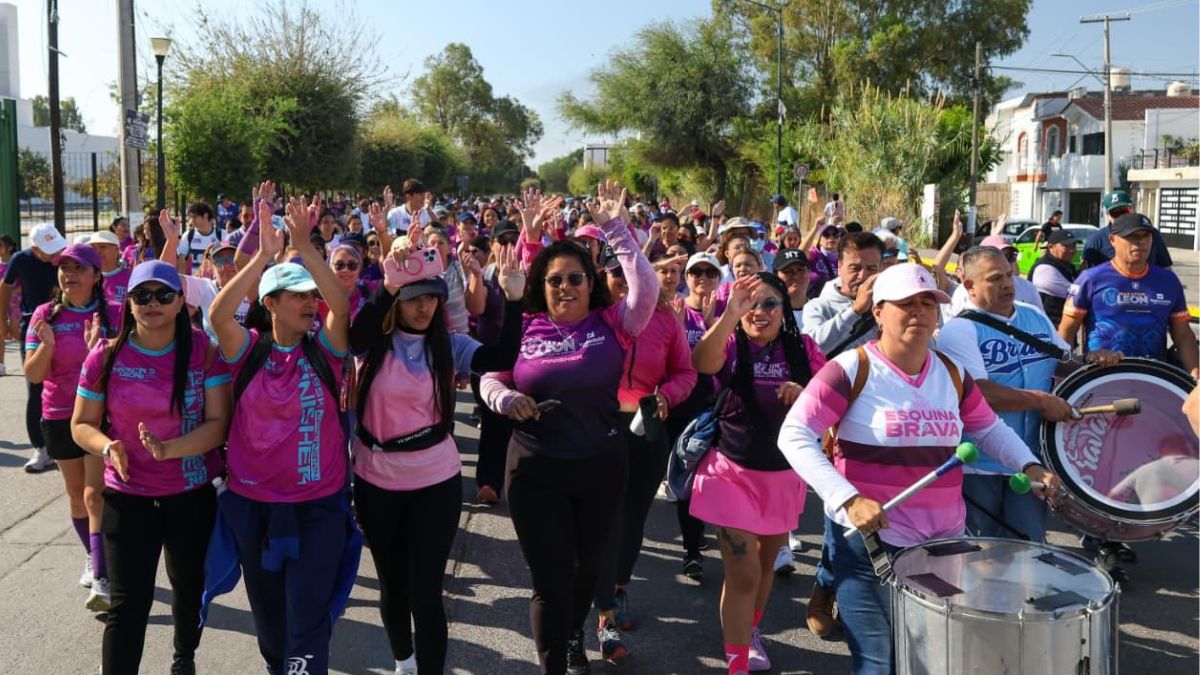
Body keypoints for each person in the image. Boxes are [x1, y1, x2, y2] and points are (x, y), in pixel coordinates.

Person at [778, 262, 1062, 675]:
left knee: (931, 658)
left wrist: (1030, 465)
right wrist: (849, 499)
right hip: (870, 544)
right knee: (879, 663)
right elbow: (794, 436)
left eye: (928, 303)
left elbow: (987, 430)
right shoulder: (849, 370)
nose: (919, 312)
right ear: (878, 312)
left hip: (942, 547)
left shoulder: (952, 373)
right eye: (905, 303)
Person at [479, 182, 656, 675]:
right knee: (550, 578)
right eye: (555, 280)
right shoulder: (527, 324)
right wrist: (508, 398)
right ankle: (552, 664)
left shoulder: (614, 322)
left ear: (590, 282)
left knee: (586, 569)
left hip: (600, 465)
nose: (565, 287)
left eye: (575, 278)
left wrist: (618, 230)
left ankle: (575, 631)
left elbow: (646, 289)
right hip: (536, 468)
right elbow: (492, 374)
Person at [350, 242, 526, 675]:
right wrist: (388, 287)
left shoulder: (452, 344)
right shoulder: (373, 344)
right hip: (376, 480)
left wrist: (515, 301)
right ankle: (403, 661)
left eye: (431, 297)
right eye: (414, 298)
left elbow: (503, 358)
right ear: (399, 300)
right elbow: (354, 335)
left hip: (435, 481)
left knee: (426, 592)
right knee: (393, 585)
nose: (424, 306)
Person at [203, 193, 361, 675]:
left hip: (320, 506)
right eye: (297, 295)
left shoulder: (327, 350)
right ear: (270, 303)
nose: (310, 303)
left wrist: (304, 248)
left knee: (307, 614)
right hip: (254, 508)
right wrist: (263, 258)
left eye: (311, 295)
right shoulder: (247, 350)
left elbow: (340, 303)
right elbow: (217, 316)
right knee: (270, 619)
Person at [72, 260, 231, 675]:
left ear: (182, 302)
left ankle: (184, 657)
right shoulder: (105, 356)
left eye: (164, 295)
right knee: (128, 603)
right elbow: (81, 424)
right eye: (142, 296)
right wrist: (108, 448)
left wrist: (171, 449)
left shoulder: (203, 351)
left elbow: (219, 425)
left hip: (190, 495)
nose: (152, 303)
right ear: (128, 303)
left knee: (188, 586)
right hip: (127, 497)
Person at [691, 273, 825, 675]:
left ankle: (747, 633)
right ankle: (736, 666)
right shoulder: (732, 344)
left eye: (769, 303)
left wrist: (807, 396)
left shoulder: (803, 348)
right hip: (729, 470)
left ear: (784, 309)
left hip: (783, 475)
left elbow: (834, 399)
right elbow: (701, 362)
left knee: (766, 565)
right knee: (744, 568)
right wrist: (731, 314)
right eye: (751, 303)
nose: (760, 312)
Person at [935, 247, 1111, 542]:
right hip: (980, 466)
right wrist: (1041, 401)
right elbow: (978, 392)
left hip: (1031, 460)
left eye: (1008, 275)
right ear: (968, 285)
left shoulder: (1033, 316)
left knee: (1028, 548)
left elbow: (1063, 361)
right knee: (980, 553)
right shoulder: (960, 330)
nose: (1007, 284)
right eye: (994, 279)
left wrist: (1094, 361)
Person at [591, 250, 696, 662]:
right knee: (601, 518)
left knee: (632, 517)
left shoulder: (668, 320)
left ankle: (616, 594)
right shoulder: (595, 316)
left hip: (645, 428)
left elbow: (685, 374)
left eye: (633, 275)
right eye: (617, 274)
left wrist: (666, 395)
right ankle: (595, 599)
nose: (624, 281)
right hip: (597, 428)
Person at [24, 243, 121, 611]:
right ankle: (93, 555)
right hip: (58, 416)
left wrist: (98, 349)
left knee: (94, 494)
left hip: (99, 417)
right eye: (64, 268)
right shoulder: (44, 315)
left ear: (96, 276)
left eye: (79, 268)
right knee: (77, 493)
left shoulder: (113, 314)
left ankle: (102, 575)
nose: (69, 275)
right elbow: (34, 374)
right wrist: (46, 346)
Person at [1061, 212, 1197, 376]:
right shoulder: (1090, 279)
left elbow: (1183, 335)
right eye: (1131, 236)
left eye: (1146, 236)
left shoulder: (1168, 281)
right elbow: (1066, 333)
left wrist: (1195, 374)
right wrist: (1068, 375)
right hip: (1101, 377)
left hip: (1154, 379)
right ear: (1112, 240)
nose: (1140, 242)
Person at [667, 252, 724, 579]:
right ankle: (691, 551)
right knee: (686, 481)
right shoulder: (673, 310)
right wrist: (678, 329)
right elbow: (671, 363)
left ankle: (700, 533)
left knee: (711, 481)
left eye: (710, 273)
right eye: (696, 273)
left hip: (713, 408)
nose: (703, 278)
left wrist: (715, 322)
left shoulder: (726, 313)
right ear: (686, 278)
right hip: (679, 410)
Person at [1, 223, 67, 472]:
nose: (54, 255)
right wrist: (4, 321)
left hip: (63, 324)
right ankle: (41, 447)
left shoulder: (66, 258)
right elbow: (5, 287)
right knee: (35, 387)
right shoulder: (21, 260)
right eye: (48, 250)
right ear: (34, 247)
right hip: (33, 326)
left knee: (67, 384)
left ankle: (69, 445)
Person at [802, 231, 884, 359]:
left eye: (871, 269)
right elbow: (812, 348)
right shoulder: (818, 307)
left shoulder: (888, 306)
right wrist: (854, 312)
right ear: (840, 267)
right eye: (855, 268)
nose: (863, 276)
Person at [949, 235, 1045, 315]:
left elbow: (1042, 325)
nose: (1005, 261)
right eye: (999, 256)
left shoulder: (1028, 288)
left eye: (1011, 256)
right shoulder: (962, 292)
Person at [1083, 189, 1172, 269]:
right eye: (1115, 214)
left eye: (1124, 211)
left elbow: (1166, 268)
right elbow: (1088, 273)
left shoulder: (1150, 233)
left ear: (1131, 209)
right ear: (1108, 215)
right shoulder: (1096, 240)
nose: (1120, 217)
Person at [1028, 229, 1079, 327]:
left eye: (1074, 245)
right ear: (1051, 247)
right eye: (1066, 246)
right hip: (1046, 327)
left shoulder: (1066, 265)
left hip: (1061, 324)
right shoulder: (1044, 269)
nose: (1072, 250)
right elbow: (1075, 293)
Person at [177, 202, 224, 274]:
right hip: (195, 282)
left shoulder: (222, 234)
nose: (192, 220)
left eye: (194, 217)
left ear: (205, 216)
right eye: (190, 217)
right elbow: (182, 261)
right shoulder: (188, 235)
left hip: (215, 282)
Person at [88, 231, 133, 306]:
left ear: (117, 250)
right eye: (93, 248)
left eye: (103, 247)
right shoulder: (87, 278)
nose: (97, 251)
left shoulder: (131, 277)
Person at [808, 224, 841, 300]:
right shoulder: (814, 254)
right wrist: (815, 228)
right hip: (814, 302)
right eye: (826, 235)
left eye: (835, 235)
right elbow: (801, 254)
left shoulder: (844, 258)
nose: (831, 237)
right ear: (820, 241)